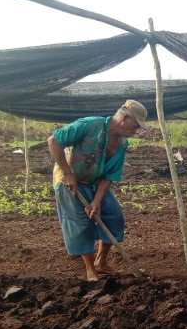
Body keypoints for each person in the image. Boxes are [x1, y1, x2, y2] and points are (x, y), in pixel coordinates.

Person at [47, 100, 149, 281]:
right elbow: (53, 141)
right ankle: (90, 270)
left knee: (114, 217)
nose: (135, 132)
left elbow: (110, 175)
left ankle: (100, 263)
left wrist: (97, 200)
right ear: (124, 118)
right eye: (134, 127)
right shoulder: (89, 125)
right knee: (81, 223)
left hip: (94, 182)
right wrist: (68, 173)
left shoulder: (121, 144)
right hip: (69, 180)